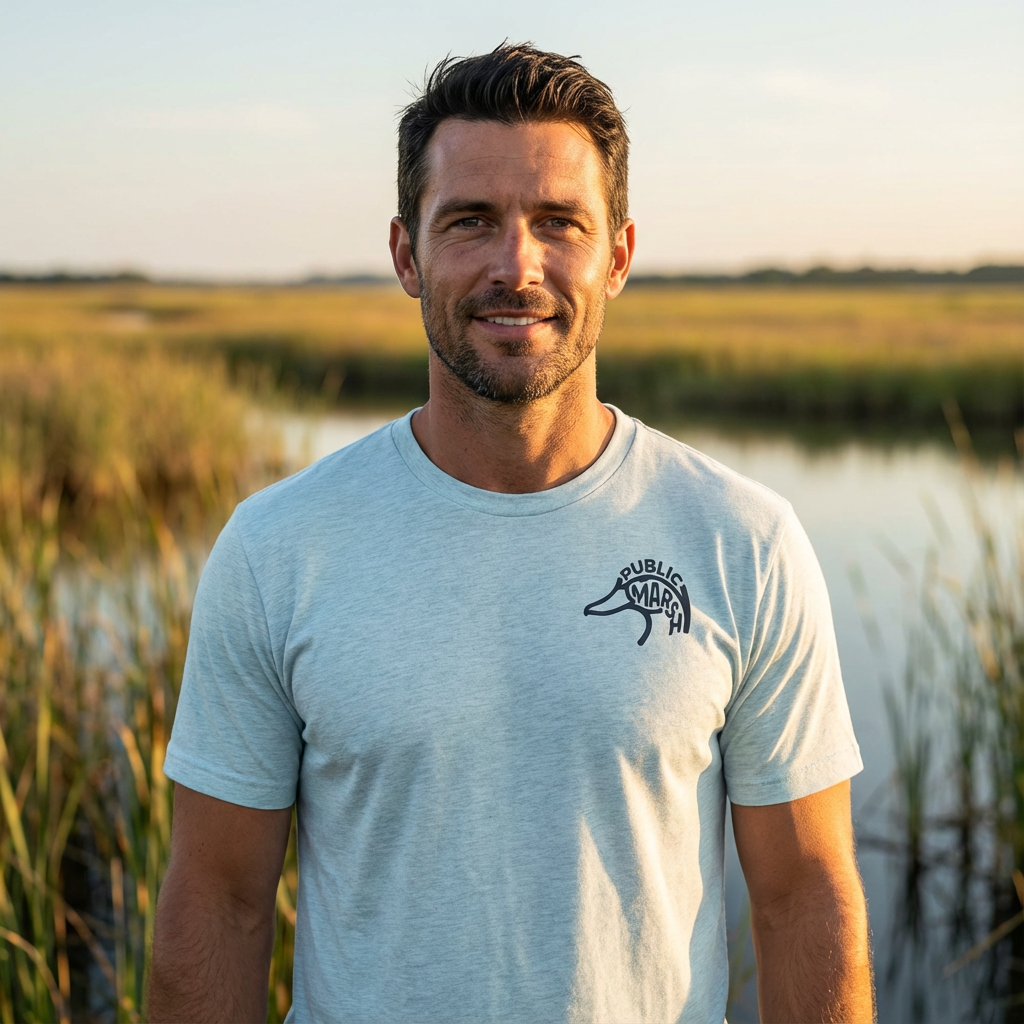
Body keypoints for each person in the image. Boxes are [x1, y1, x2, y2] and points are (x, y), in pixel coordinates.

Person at [149, 43, 873, 1024]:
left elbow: (802, 896)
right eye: (471, 222)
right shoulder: (279, 549)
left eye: (557, 224)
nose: (514, 266)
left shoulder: (742, 541)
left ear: (616, 255)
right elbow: (220, 902)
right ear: (407, 254)